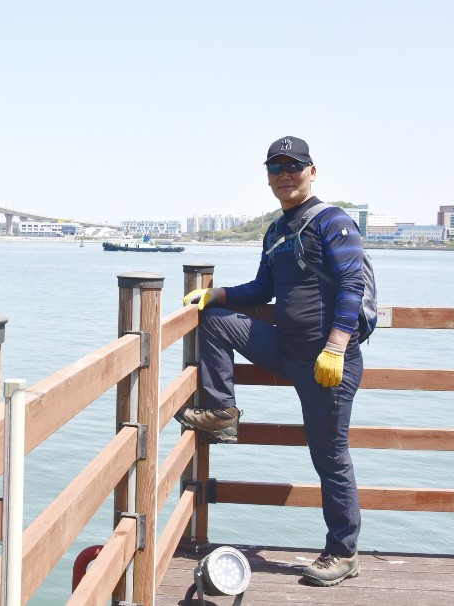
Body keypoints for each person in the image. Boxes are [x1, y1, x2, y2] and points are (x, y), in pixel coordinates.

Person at [176, 136, 366, 587]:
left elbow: (352, 285)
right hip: (285, 348)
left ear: (312, 171)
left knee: (329, 456)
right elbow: (263, 289)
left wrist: (336, 346)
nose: (284, 175)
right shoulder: (276, 230)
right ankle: (222, 411)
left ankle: (343, 552)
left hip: (325, 362)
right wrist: (216, 295)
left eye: (293, 166)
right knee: (215, 321)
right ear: (267, 177)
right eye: (275, 168)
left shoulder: (334, 221)